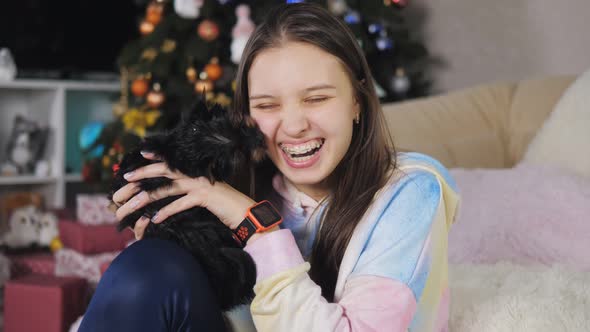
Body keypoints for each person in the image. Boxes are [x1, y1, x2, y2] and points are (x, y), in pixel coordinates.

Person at [78, 3, 459, 332]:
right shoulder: (233, 185)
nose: (293, 126)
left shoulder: (410, 191)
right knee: (150, 266)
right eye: (267, 106)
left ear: (357, 101)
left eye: (316, 98)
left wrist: (255, 226)